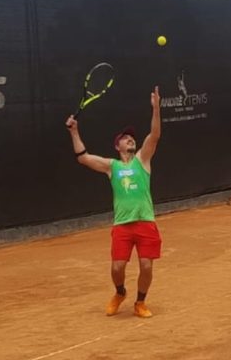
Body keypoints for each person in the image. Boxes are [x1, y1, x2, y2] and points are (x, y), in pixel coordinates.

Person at [66, 86, 161, 318]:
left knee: (146, 265)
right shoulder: (112, 166)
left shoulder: (142, 160)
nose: (131, 139)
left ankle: (140, 302)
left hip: (145, 221)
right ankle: (120, 293)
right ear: (117, 146)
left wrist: (156, 109)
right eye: (125, 139)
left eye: (132, 138)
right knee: (117, 267)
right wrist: (74, 132)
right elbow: (83, 158)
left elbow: (155, 135)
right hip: (122, 224)